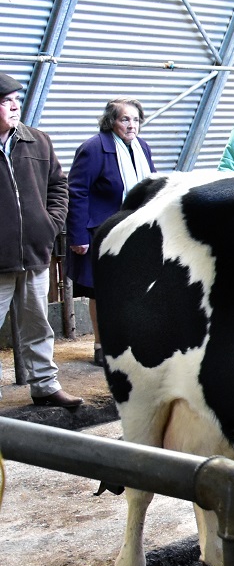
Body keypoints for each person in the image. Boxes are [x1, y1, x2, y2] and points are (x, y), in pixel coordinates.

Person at [0, 73, 82, 408]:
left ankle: (45, 387)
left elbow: (58, 186)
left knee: (38, 324)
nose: (15, 105)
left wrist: (50, 224)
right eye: (5, 100)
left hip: (34, 253)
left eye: (15, 98)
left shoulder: (37, 141)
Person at [67, 98, 156, 367]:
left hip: (136, 229)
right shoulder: (94, 149)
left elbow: (150, 184)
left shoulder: (142, 148)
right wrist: (78, 236)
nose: (132, 125)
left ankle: (129, 343)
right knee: (102, 291)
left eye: (136, 119)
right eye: (125, 119)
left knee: (134, 289)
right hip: (103, 233)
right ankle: (101, 344)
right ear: (111, 122)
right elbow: (77, 192)